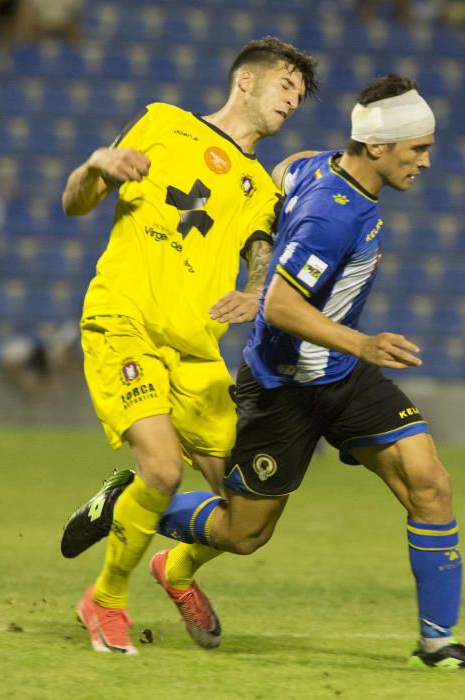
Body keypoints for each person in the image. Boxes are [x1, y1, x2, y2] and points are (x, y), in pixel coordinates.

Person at [64, 75, 465, 670]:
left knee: (430, 483)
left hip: (343, 375)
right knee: (244, 532)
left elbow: (272, 203)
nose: (426, 162)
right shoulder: (333, 216)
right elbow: (283, 307)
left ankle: (438, 644)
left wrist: (258, 280)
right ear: (378, 147)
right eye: (418, 150)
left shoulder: (307, 165)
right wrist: (352, 336)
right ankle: (136, 513)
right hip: (283, 386)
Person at [59, 37, 318, 655]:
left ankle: (173, 569)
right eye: (286, 86)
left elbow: (260, 255)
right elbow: (75, 203)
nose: (293, 101)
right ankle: (106, 599)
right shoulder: (163, 124)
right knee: (165, 469)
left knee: (252, 518)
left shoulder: (260, 186)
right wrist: (98, 165)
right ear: (246, 82)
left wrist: (256, 291)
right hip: (125, 321)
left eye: (301, 96)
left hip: (197, 354)